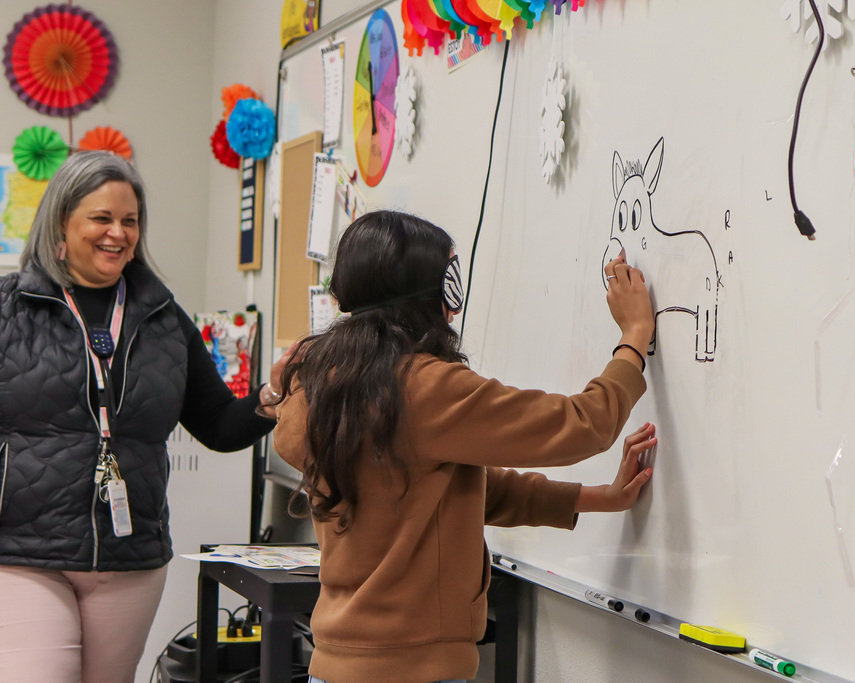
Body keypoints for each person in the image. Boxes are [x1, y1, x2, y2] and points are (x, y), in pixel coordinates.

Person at [270, 210, 657, 683]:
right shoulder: (425, 388)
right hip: (414, 671)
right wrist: (634, 337)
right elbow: (580, 424)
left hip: (333, 665)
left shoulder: (325, 388)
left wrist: (600, 498)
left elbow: (455, 489)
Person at [0, 151, 288, 683]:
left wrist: (272, 396)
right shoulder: (10, 308)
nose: (119, 234)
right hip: (22, 552)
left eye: (130, 221)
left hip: (129, 553)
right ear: (62, 220)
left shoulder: (161, 316)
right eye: (102, 218)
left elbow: (219, 423)